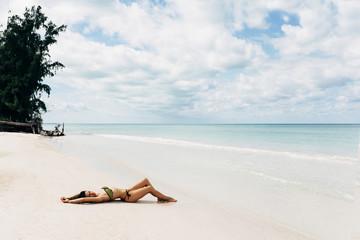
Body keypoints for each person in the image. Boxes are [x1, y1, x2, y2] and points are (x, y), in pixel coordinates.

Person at [60, 178, 177, 204]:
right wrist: (69, 202)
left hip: (128, 190)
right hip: (128, 196)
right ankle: (166, 198)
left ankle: (158, 196)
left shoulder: (99, 191)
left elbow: (81, 194)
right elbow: (84, 199)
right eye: (90, 195)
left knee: (145, 180)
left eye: (89, 191)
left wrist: (70, 197)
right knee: (149, 188)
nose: (91, 193)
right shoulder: (100, 198)